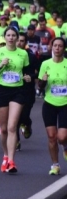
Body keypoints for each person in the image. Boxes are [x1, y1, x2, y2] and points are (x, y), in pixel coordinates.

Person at [0, 26, 31, 173]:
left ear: (17, 38)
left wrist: (28, 77)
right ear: (4, 37)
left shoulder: (23, 54)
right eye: (9, 35)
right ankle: (5, 155)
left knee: (13, 127)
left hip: (17, 91)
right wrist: (0, 65)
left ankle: (11, 161)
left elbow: (27, 71)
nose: (11, 38)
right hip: (1, 91)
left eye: (14, 35)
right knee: (4, 128)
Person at [38, 37, 67, 175]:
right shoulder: (45, 64)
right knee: (51, 136)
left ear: (64, 48)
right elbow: (40, 86)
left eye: (60, 46)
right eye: (55, 45)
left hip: (65, 103)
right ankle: (55, 165)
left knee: (62, 137)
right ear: (51, 47)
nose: (57, 48)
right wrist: (42, 81)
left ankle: (65, 146)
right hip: (49, 103)